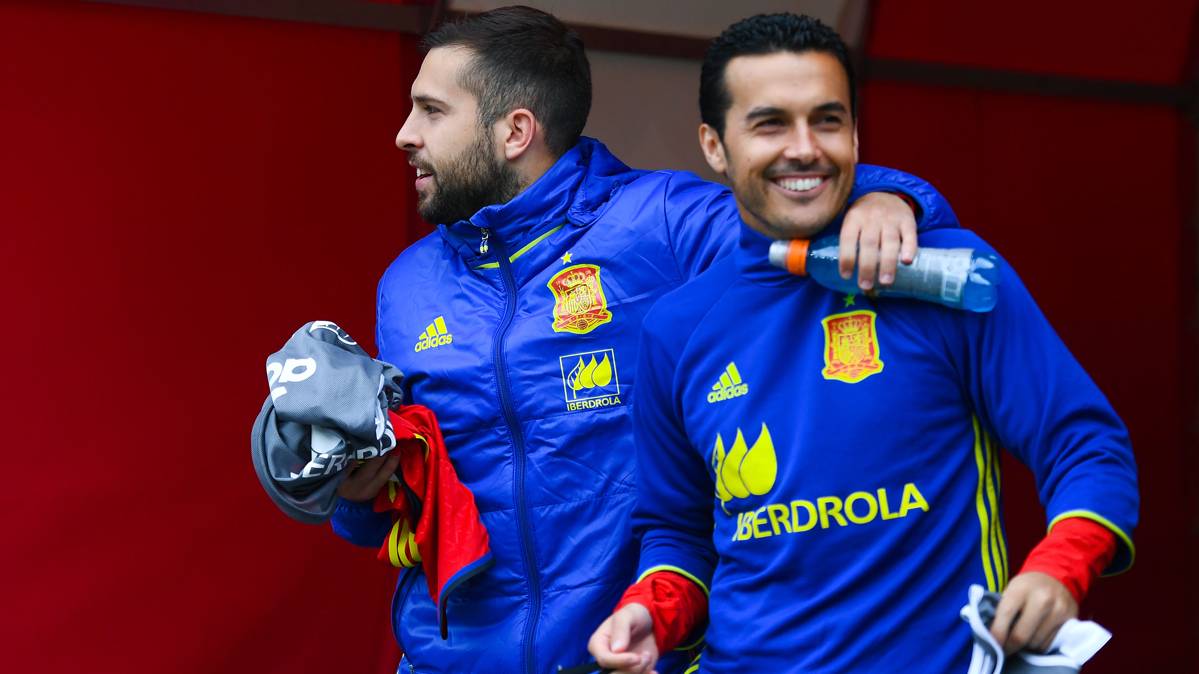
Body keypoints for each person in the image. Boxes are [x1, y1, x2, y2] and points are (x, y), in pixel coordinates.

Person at [329, 7, 964, 673]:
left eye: (431, 110)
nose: (403, 134)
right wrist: (351, 493)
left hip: (625, 655)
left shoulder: (661, 223)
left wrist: (888, 197)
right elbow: (401, 513)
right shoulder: (405, 285)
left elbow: (799, 211)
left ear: (515, 130)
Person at [587, 13, 1139, 674]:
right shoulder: (676, 327)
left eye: (827, 119)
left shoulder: (945, 273)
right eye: (769, 124)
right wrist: (653, 609)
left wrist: (1059, 569)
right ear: (713, 146)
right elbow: (677, 529)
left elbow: (1082, 442)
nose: (805, 148)